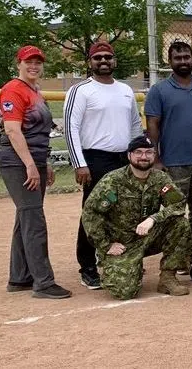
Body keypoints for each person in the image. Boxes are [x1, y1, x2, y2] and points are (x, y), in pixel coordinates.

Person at [64, 41, 143, 290]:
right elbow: (70, 128)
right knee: (94, 211)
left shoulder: (125, 90)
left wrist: (138, 155)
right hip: (95, 159)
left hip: (123, 159)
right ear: (90, 62)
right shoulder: (81, 90)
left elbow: (134, 125)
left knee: (122, 211)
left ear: (114, 60)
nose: (103, 61)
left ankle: (114, 257)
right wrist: (79, 163)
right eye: (98, 57)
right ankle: (87, 266)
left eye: (108, 57)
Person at [145, 40, 192, 272]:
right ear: (169, 61)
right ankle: (177, 256)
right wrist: (156, 158)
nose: (182, 61)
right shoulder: (159, 90)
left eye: (186, 57)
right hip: (173, 162)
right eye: (177, 58)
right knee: (174, 212)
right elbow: (152, 124)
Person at [0, 45, 69, 299]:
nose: (34, 66)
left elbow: (39, 132)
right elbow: (12, 130)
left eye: (38, 62)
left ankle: (20, 277)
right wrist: (30, 164)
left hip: (34, 159)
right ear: (18, 63)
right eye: (29, 61)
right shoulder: (13, 89)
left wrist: (43, 163)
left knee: (25, 218)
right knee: (34, 220)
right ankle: (43, 282)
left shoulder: (35, 91)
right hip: (17, 161)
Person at [81, 136, 190, 299]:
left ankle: (167, 278)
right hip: (122, 244)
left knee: (180, 224)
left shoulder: (160, 178)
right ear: (129, 155)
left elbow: (178, 204)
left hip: (148, 237)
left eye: (148, 152)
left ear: (154, 155)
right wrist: (105, 245)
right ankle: (124, 266)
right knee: (124, 292)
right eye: (138, 152)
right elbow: (91, 212)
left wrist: (153, 219)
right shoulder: (113, 181)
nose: (144, 157)